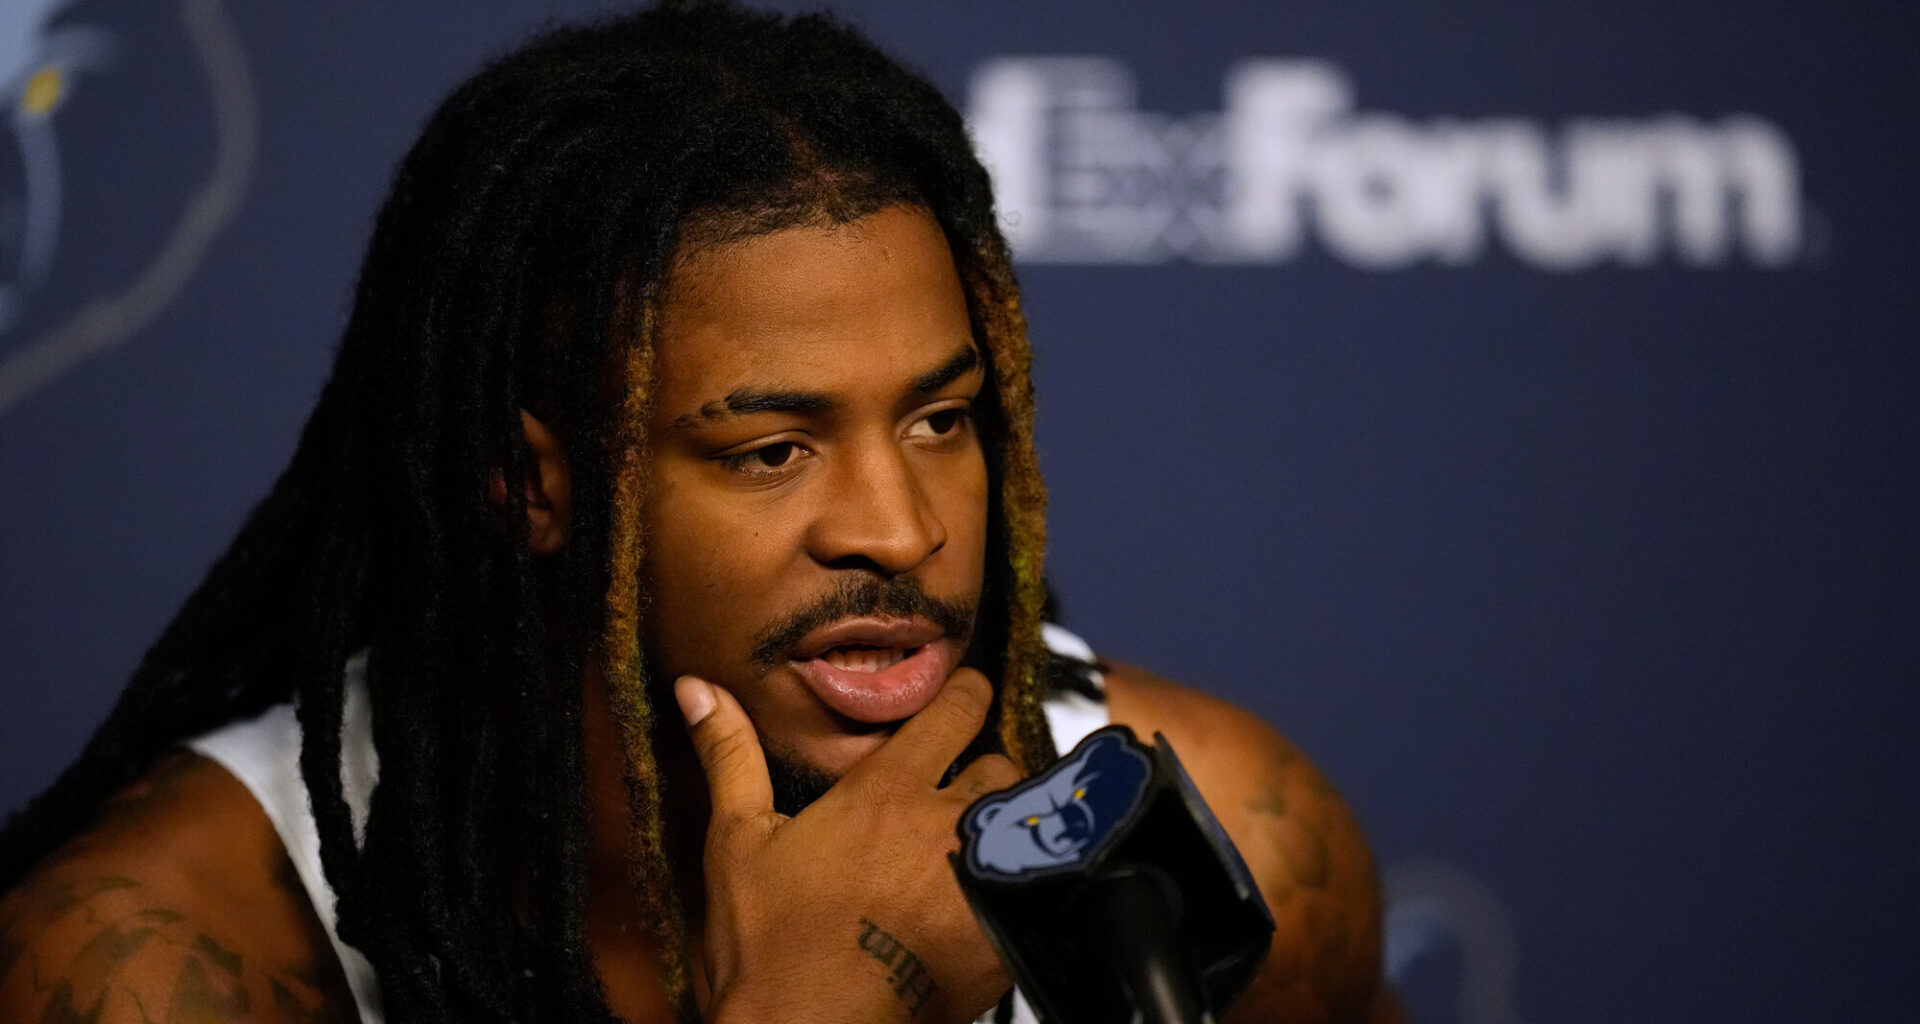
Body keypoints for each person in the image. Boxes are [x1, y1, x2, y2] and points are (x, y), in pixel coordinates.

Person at [0, 4, 1397, 1022]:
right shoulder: (158, 964)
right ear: (530, 481)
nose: (901, 531)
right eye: (775, 448)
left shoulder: (1230, 851)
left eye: (940, 420)